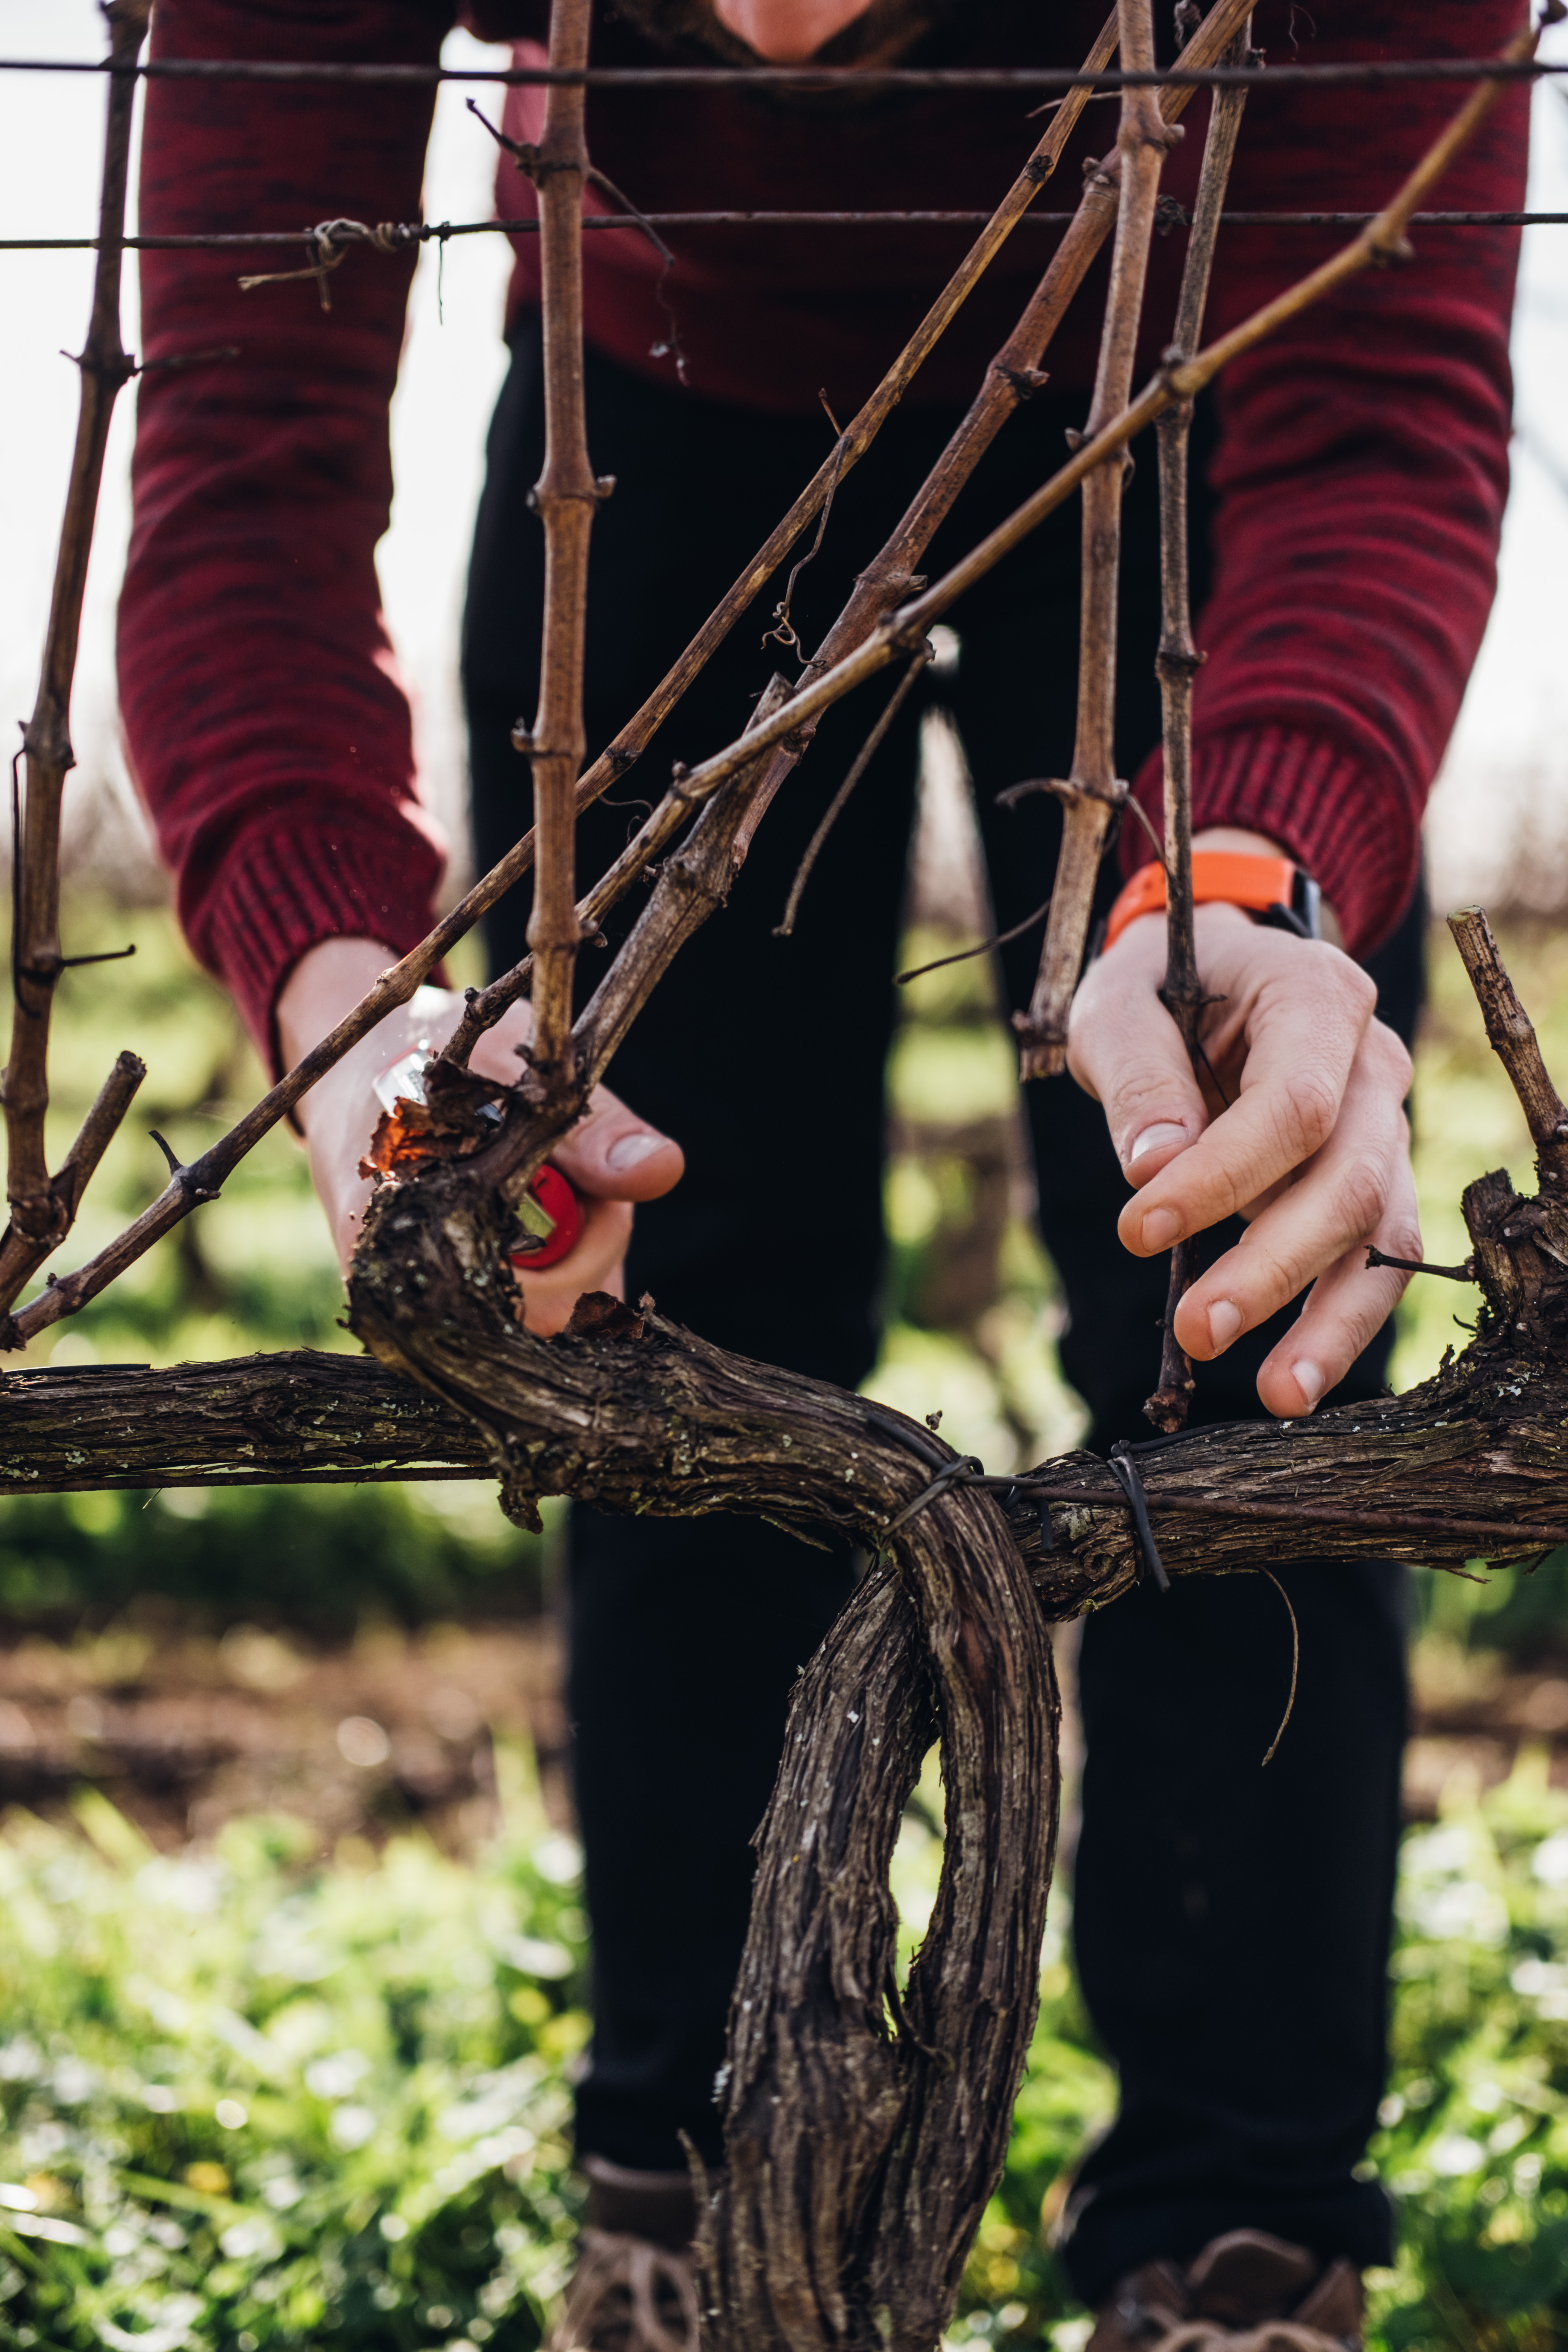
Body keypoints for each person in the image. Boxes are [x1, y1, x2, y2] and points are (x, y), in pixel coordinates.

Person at [118, 0, 1526, 2346]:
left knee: (1251, 1312)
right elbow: (235, 459)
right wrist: (356, 1002)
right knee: (654, 1302)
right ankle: (684, 2184)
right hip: (645, 418)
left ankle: (1244, 2234)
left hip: (1194, 339)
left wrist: (1255, 888)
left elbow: (1379, 398)